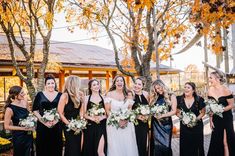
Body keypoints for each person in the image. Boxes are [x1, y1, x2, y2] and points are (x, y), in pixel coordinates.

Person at [105, 75, 139, 156]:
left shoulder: (129, 94)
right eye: (117, 81)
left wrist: (126, 119)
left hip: (127, 124)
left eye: (121, 81)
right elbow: (107, 110)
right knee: (115, 145)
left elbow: (130, 109)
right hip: (113, 125)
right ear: (114, 83)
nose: (119, 82)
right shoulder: (109, 94)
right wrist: (117, 120)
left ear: (124, 83)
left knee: (128, 144)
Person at [33, 74, 63, 156]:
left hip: (56, 125)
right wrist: (43, 121)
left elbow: (62, 111)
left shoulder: (60, 95)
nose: (51, 85)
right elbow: (35, 110)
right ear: (45, 85)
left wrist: (56, 121)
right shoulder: (39, 95)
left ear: (55, 84)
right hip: (42, 126)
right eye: (48, 83)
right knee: (43, 147)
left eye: (52, 83)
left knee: (56, 147)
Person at [207, 71, 235, 156]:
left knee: (226, 141)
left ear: (217, 79)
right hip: (216, 119)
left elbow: (232, 105)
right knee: (216, 140)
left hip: (226, 118)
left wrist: (221, 109)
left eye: (211, 78)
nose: (209, 80)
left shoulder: (226, 90)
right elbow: (210, 107)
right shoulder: (210, 90)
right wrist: (211, 120)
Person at [57, 75, 84, 156]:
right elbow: (60, 113)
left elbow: (81, 112)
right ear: (73, 83)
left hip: (78, 125)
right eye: (78, 83)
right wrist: (70, 125)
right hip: (67, 125)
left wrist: (81, 123)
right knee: (72, 147)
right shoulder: (64, 96)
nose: (80, 85)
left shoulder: (80, 94)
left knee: (79, 147)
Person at [176, 82, 205, 156]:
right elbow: (177, 112)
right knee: (185, 146)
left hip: (197, 126)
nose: (186, 89)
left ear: (193, 90)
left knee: (197, 145)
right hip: (184, 127)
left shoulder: (199, 99)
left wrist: (195, 120)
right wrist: (184, 119)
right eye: (185, 87)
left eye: (188, 87)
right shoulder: (179, 99)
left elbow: (202, 112)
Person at [150, 79, 177, 156]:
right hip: (155, 124)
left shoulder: (171, 95)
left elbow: (174, 111)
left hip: (166, 125)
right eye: (156, 89)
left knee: (166, 146)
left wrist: (162, 115)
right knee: (156, 147)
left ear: (163, 86)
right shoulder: (154, 97)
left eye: (159, 88)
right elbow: (150, 109)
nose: (158, 90)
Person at [4, 86, 34, 156]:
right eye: (22, 93)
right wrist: (23, 128)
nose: (24, 94)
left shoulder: (25, 101)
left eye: (24, 92)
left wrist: (32, 121)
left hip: (29, 134)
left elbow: (29, 114)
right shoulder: (10, 109)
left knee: (29, 153)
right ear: (15, 95)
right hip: (19, 137)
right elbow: (6, 126)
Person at [83, 79, 107, 156]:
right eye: (94, 85)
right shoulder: (86, 98)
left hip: (101, 126)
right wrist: (92, 118)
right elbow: (84, 114)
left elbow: (107, 113)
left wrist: (102, 117)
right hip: (90, 126)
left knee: (100, 151)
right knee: (90, 149)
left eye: (97, 84)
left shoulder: (104, 97)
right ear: (90, 87)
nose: (96, 86)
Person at [132, 78, 150, 156]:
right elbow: (127, 110)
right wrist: (137, 116)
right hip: (134, 123)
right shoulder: (130, 94)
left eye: (139, 84)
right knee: (135, 143)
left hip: (144, 123)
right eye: (135, 83)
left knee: (144, 143)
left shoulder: (146, 94)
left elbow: (150, 107)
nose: (137, 86)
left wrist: (147, 115)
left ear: (143, 86)